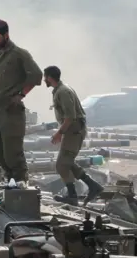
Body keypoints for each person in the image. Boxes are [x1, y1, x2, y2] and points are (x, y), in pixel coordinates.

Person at [0, 20, 42, 184]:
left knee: (13, 153)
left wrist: (20, 94)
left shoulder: (19, 54)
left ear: (6, 35)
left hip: (12, 110)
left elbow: (36, 76)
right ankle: (10, 181)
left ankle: (21, 182)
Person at [43, 66, 104, 206]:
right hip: (72, 131)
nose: (44, 80)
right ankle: (92, 187)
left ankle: (73, 195)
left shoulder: (63, 92)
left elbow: (70, 117)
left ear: (50, 77)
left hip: (74, 132)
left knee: (61, 165)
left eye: (45, 77)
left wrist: (59, 133)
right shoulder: (61, 90)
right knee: (67, 162)